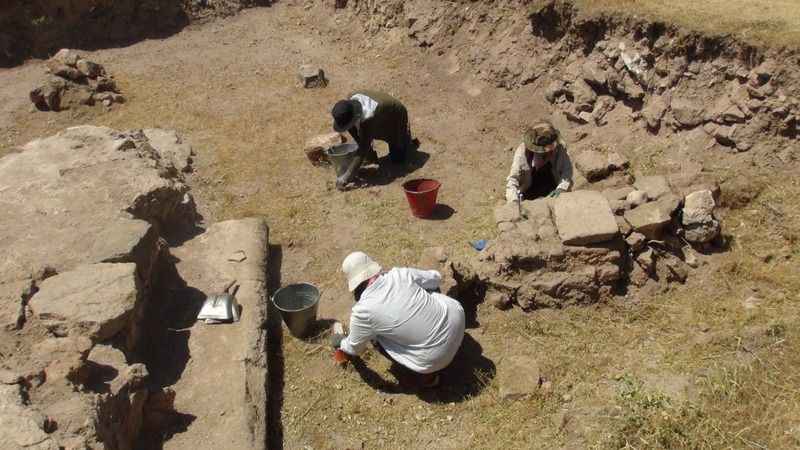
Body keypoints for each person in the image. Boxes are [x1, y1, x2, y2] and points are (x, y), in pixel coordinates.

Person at [331, 251, 465, 388]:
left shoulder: (362, 311)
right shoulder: (399, 274)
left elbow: (354, 348)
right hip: (458, 322)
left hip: (434, 360)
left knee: (379, 338)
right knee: (429, 292)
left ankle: (428, 379)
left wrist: (340, 342)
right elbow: (435, 279)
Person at [330, 90, 414, 190]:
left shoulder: (369, 117)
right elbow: (353, 130)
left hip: (396, 114)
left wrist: (346, 177)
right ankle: (373, 155)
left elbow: (363, 147)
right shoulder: (349, 106)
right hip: (380, 113)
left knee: (398, 159)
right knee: (366, 140)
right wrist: (369, 155)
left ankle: (405, 140)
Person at [505, 122, 573, 203]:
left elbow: (567, 171)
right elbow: (513, 179)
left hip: (552, 185)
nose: (548, 152)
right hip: (529, 189)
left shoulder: (559, 148)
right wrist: (514, 201)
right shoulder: (522, 152)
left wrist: (561, 188)